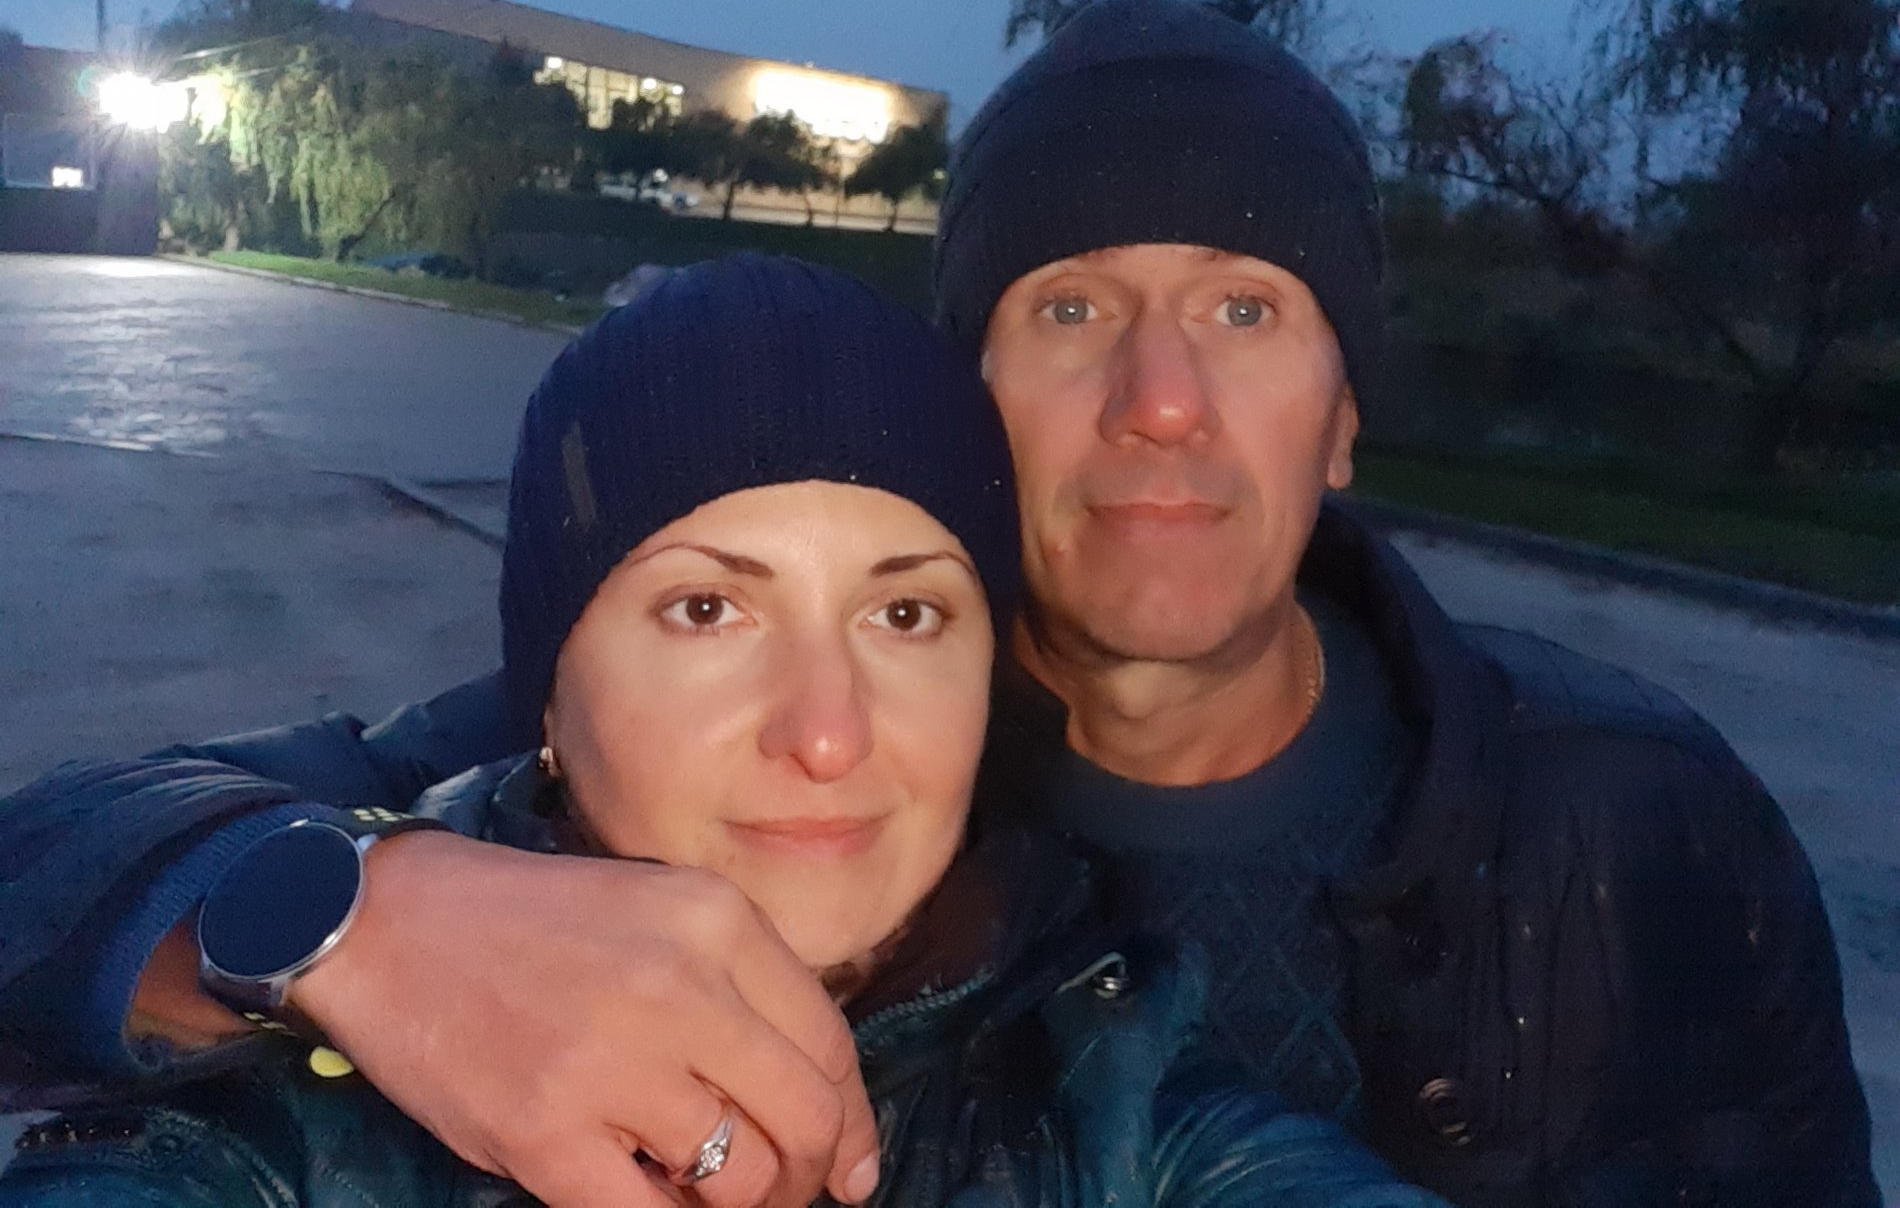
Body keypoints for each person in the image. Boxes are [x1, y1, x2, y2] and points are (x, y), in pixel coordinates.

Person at [0, 0, 1877, 1208]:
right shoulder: (690, 760)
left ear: (1346, 411)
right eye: (1073, 308)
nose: (1161, 398)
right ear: (970, 407)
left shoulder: (1641, 825)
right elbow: (62, 856)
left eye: (1246, 308)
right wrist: (363, 918)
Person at [0, 254, 1448, 1208]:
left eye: (906, 614)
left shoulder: (1111, 1072)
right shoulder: (309, 1111)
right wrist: (356, 928)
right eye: (707, 610)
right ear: (544, 694)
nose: (827, 736)